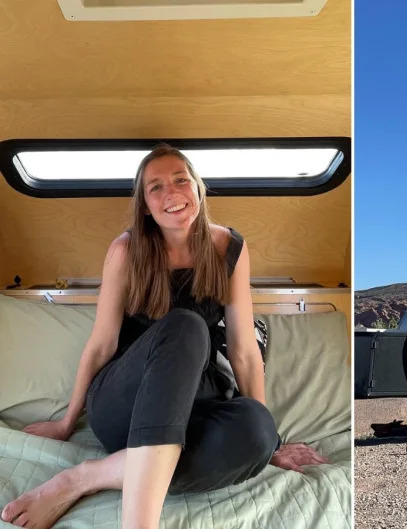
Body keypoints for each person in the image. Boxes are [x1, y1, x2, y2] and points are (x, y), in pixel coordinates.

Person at [0, 144, 327, 529]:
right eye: (155, 187)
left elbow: (243, 350)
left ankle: (87, 476)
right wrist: (67, 421)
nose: (171, 193)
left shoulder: (229, 248)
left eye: (180, 180)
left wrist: (270, 445)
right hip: (126, 403)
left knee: (257, 429)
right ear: (144, 206)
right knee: (186, 325)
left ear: (198, 189)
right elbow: (102, 345)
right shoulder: (126, 251)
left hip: (195, 408)